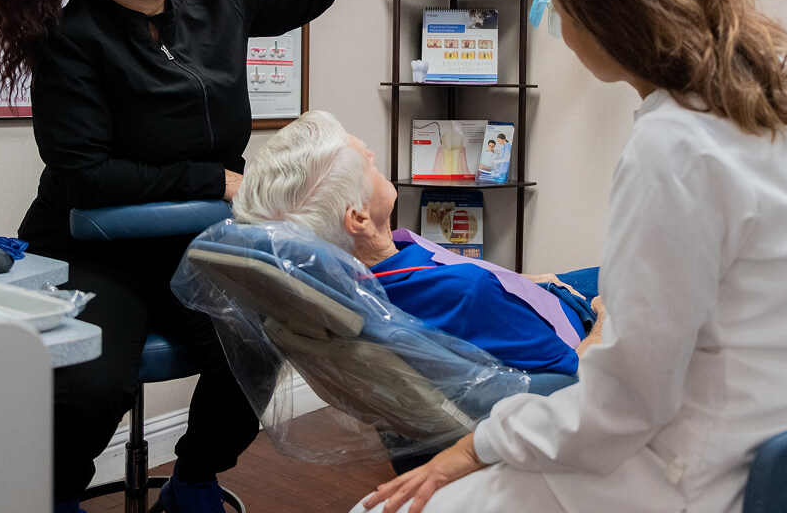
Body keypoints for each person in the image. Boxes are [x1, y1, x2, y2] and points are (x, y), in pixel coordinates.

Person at [353, 0, 787, 513]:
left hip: (700, 470)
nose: (559, 23)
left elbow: (618, 412)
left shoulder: (673, 148)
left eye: (562, 6)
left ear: (609, 22)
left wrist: (471, 447)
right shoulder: (772, 83)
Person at [0, 0, 397, 513]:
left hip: (192, 245)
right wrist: (213, 180)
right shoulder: (73, 42)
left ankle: (193, 478)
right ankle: (49, 495)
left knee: (261, 335)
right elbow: (86, 175)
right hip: (93, 251)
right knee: (92, 385)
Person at [232, 110, 605, 377]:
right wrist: (607, 319)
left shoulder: (361, 281)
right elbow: (577, 375)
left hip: (537, 297)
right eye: (366, 163)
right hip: (578, 327)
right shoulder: (463, 294)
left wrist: (529, 281)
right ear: (359, 219)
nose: (373, 156)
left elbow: (479, 289)